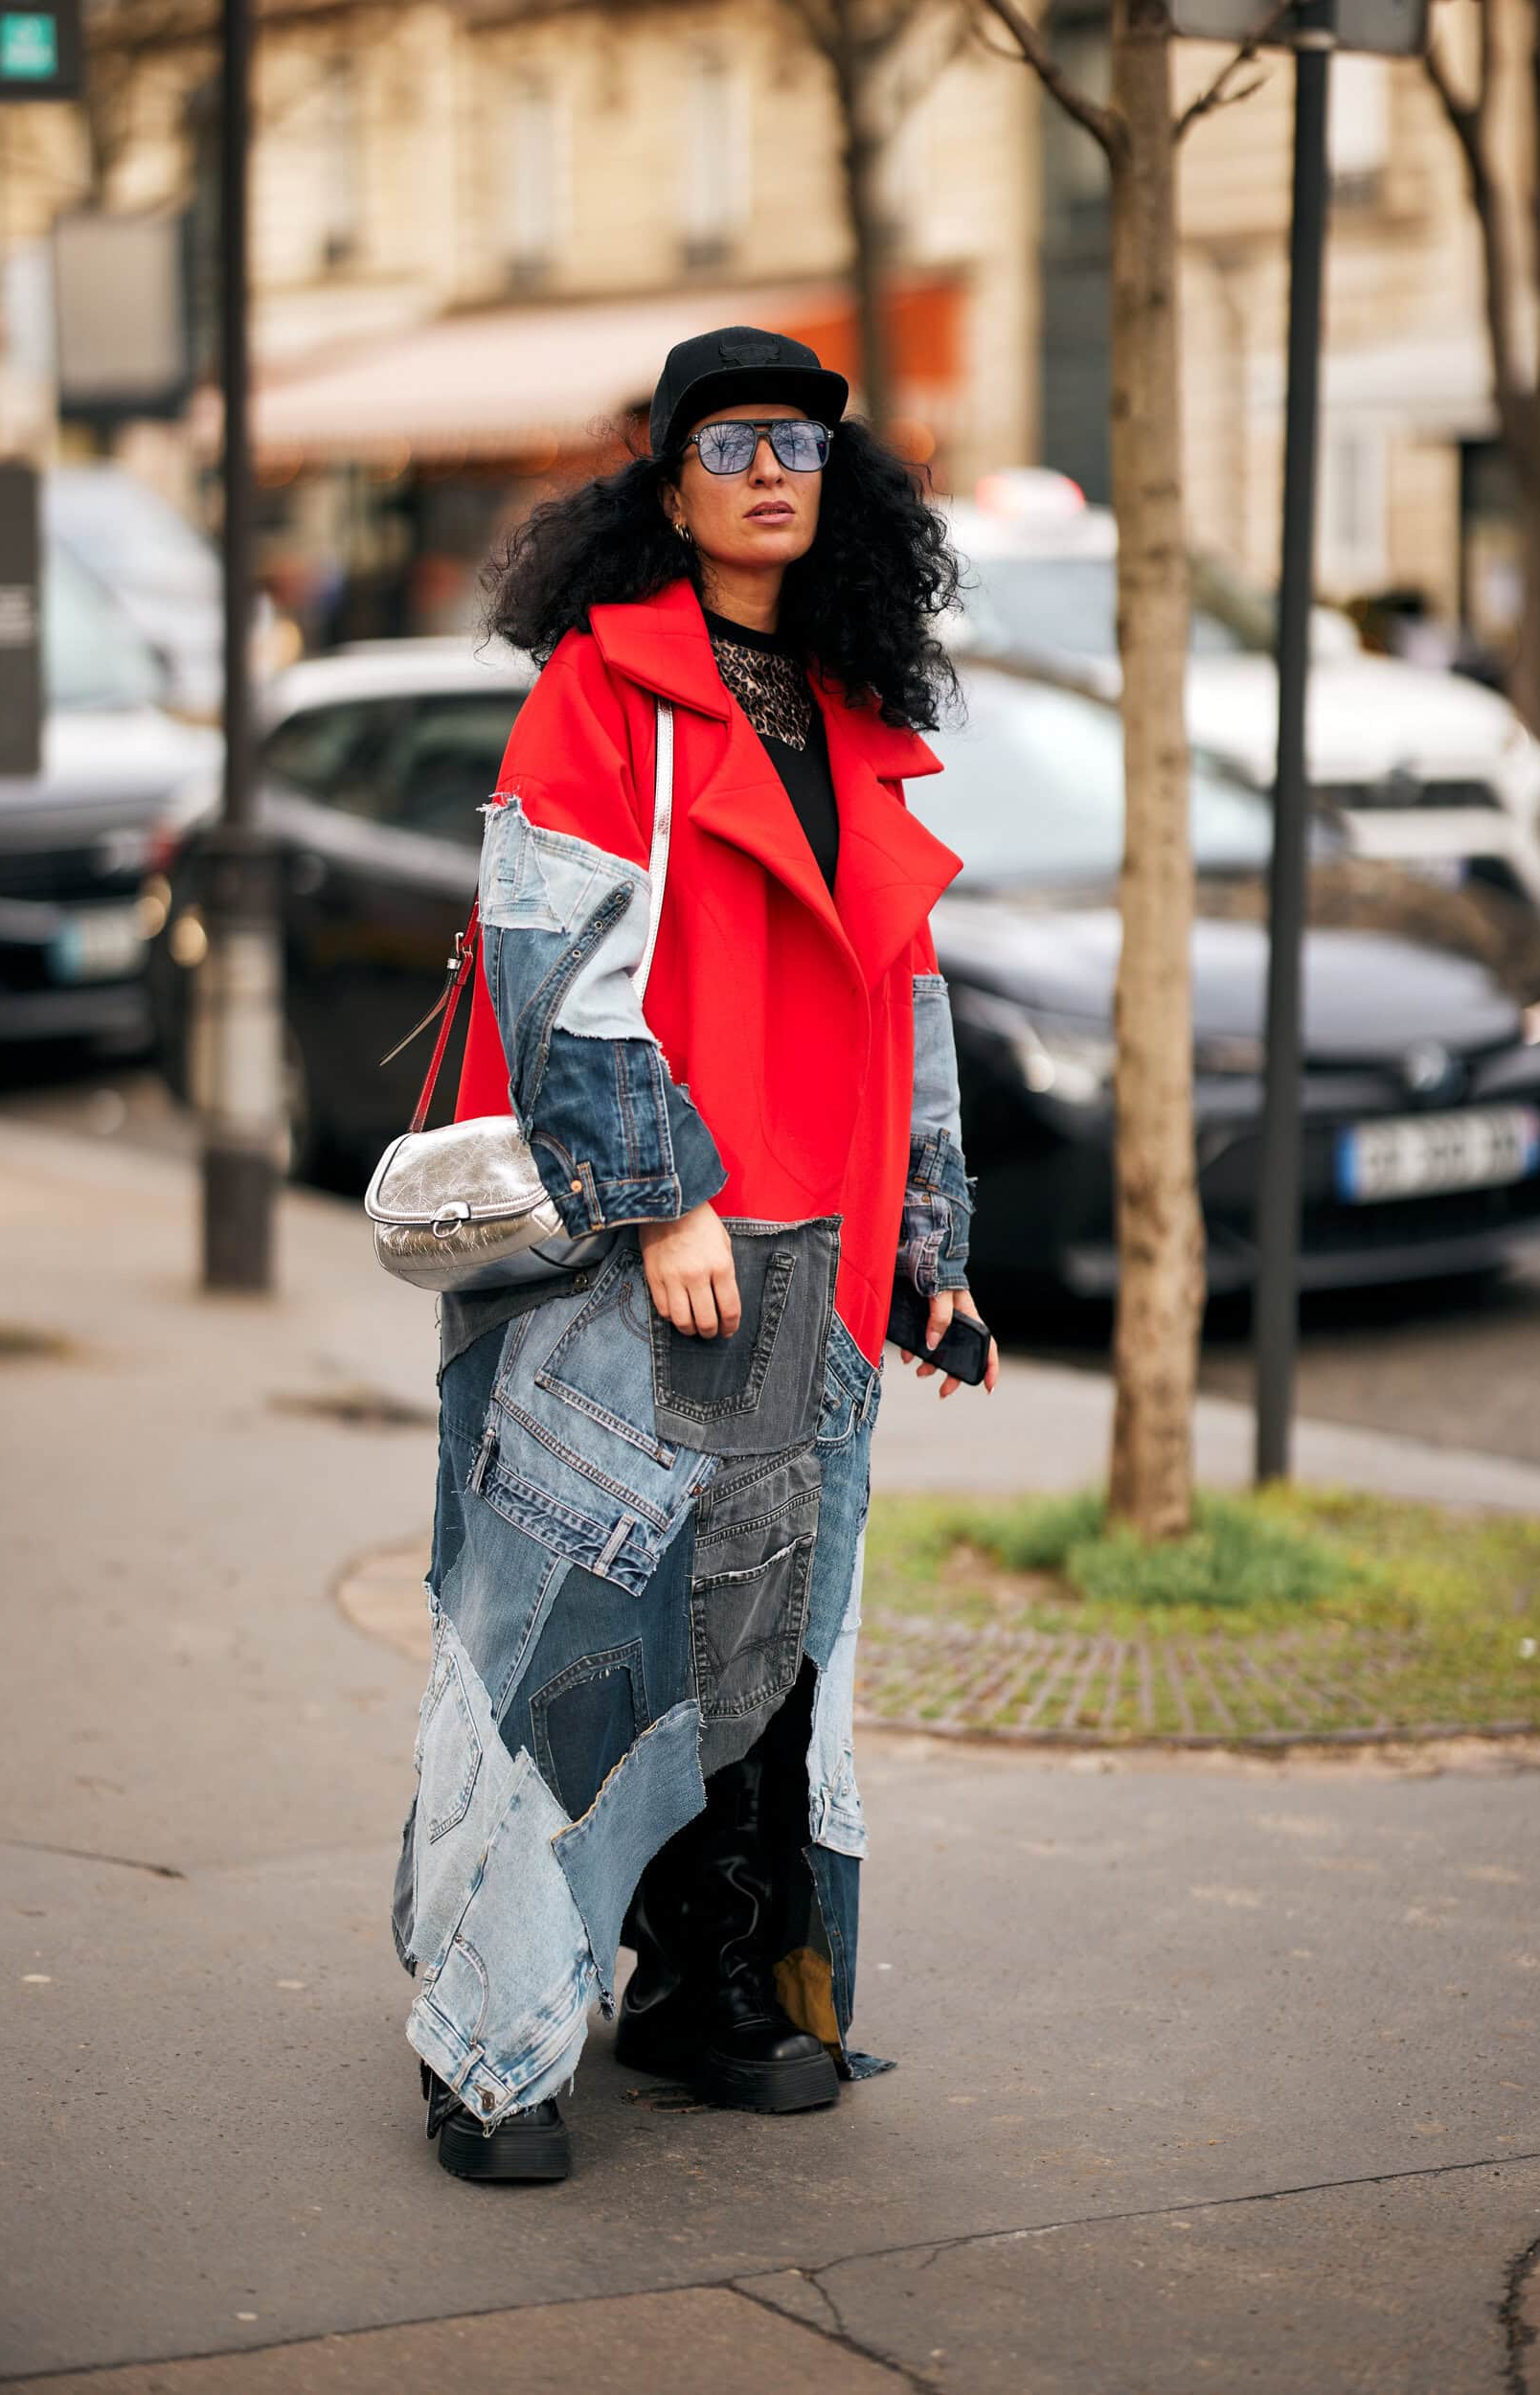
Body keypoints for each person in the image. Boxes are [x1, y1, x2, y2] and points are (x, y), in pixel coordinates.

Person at [389, 326, 1001, 2183]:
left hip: (812, 1256)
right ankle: (486, 2046)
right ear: (665, 480)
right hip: (639, 1253)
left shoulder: (848, 705)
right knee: (566, 1637)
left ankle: (705, 1988)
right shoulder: (603, 692)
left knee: (763, 1655)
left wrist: (934, 1244)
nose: (768, 471)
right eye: (729, 441)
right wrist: (661, 1194)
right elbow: (546, 960)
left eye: (801, 442)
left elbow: (904, 987)